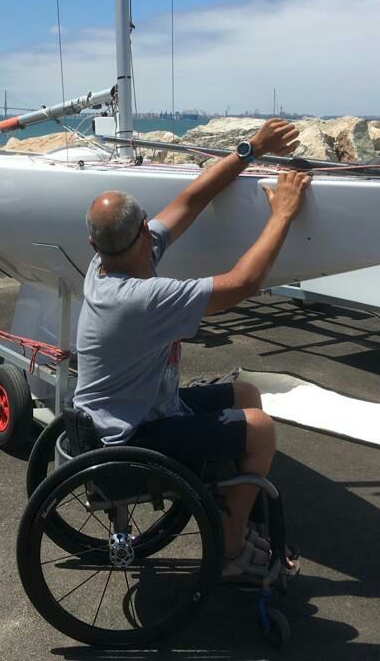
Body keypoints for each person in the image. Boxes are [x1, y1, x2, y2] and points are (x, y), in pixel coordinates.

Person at [72, 118, 310, 581]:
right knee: (260, 430)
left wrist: (251, 149)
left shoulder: (104, 265)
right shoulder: (141, 298)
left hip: (134, 410)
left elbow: (190, 199)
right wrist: (283, 213)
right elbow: (245, 283)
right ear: (142, 230)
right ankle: (229, 541)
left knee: (245, 396)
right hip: (132, 434)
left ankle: (226, 498)